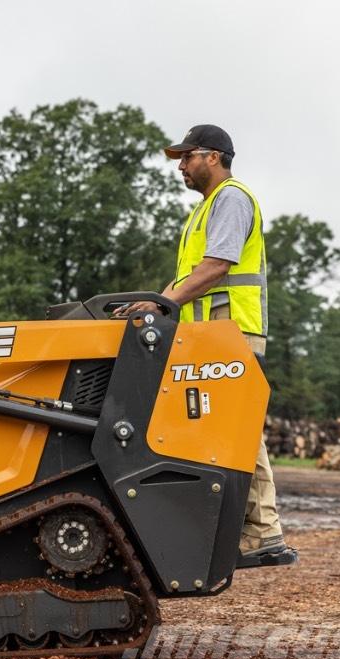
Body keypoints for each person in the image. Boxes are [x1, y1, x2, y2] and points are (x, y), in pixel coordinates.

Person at [116, 124, 289, 559]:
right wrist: (151, 300)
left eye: (186, 156)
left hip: (230, 332)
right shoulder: (207, 208)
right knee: (233, 430)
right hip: (211, 336)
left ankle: (263, 531)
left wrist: (160, 306)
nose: (180, 166)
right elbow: (193, 275)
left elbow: (216, 268)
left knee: (238, 431)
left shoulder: (231, 198)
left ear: (213, 156)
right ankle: (255, 529)